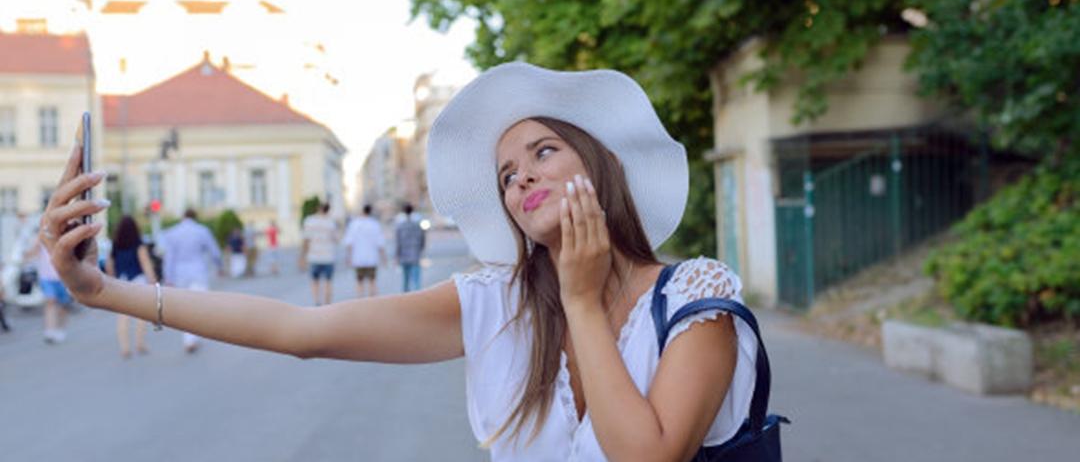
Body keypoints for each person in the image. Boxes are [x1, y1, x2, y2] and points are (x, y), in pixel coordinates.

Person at [40, 63, 756, 460]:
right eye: (506, 173)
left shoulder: (696, 300)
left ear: (599, 165)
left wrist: (580, 297)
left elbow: (648, 457)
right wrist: (103, 289)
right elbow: (300, 331)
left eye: (543, 151)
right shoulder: (496, 302)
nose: (521, 178)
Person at [158, 208, 222, 353]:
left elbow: (170, 258)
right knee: (199, 306)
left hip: (180, 274)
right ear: (195, 217)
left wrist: (168, 277)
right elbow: (214, 250)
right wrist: (220, 265)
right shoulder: (202, 230)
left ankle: (189, 339)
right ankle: (195, 336)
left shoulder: (173, 232)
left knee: (186, 308)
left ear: (183, 217)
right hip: (198, 272)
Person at [105, 215, 158, 358]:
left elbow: (109, 264)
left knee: (123, 316)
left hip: (122, 282)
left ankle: (125, 347)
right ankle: (140, 344)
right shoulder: (138, 243)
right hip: (138, 281)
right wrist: (153, 282)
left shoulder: (115, 244)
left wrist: (111, 279)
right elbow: (145, 263)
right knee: (141, 314)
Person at [342, 204, 387, 298]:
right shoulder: (374, 224)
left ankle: (360, 301)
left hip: (358, 258)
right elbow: (380, 243)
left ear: (362, 211)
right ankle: (373, 303)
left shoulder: (354, 224)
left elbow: (349, 243)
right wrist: (384, 258)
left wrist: (348, 257)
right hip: (372, 258)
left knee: (359, 281)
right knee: (372, 281)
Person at [300, 202, 338, 305]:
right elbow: (336, 239)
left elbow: (306, 240)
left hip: (314, 256)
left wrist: (302, 257)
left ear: (318, 208)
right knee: (328, 282)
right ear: (328, 210)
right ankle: (327, 304)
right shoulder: (331, 222)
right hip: (328, 256)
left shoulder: (310, 220)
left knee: (315, 281)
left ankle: (317, 302)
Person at [394, 203, 426, 293]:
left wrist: (396, 256)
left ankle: (406, 298)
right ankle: (417, 298)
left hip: (404, 256)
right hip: (415, 255)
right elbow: (422, 239)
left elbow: (398, 243)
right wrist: (421, 250)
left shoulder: (400, 226)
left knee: (405, 280)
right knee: (416, 281)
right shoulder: (417, 225)